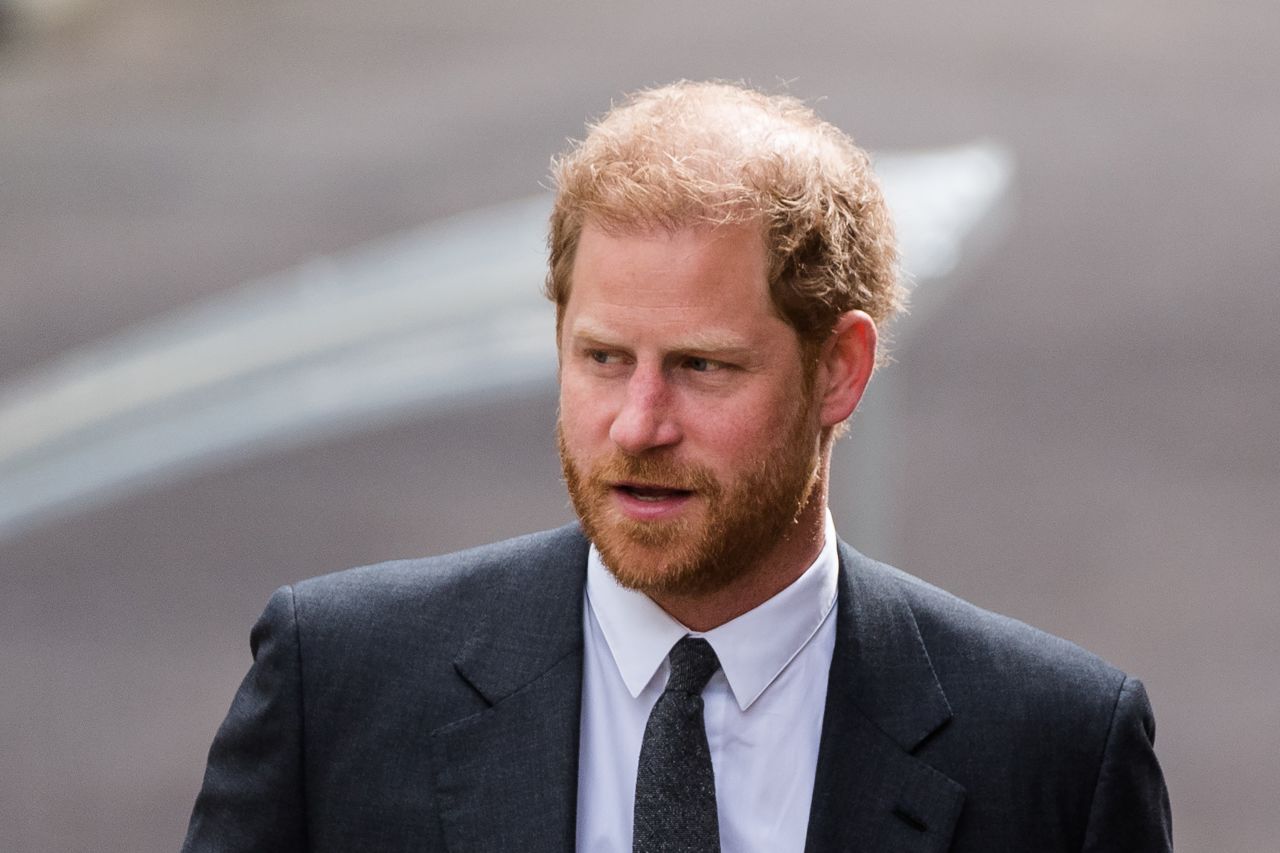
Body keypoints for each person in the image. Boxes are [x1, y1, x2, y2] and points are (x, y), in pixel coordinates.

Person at [182, 81, 1172, 852]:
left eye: (701, 366)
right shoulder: (339, 688)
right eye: (603, 358)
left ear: (839, 370)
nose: (636, 425)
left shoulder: (1053, 753)